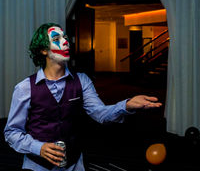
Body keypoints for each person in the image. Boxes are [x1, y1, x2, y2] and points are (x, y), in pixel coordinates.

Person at [4, 23, 162, 171]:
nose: (65, 42)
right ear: (43, 50)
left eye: (65, 37)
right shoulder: (25, 88)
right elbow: (11, 133)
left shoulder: (82, 80)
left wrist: (126, 105)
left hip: (74, 164)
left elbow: (100, 113)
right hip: (37, 166)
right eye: (56, 39)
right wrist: (39, 148)